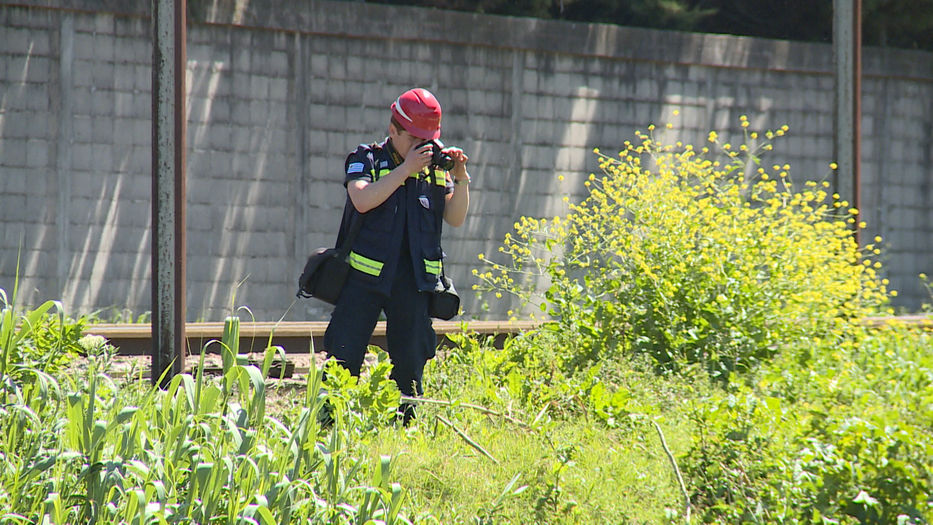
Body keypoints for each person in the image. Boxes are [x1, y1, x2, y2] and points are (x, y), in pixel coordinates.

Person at [323, 88, 470, 423]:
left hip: (413, 282)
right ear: (394, 131)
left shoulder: (435, 169)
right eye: (415, 139)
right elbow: (362, 199)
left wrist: (460, 179)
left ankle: (404, 428)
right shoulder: (368, 159)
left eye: (429, 140)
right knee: (343, 356)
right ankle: (329, 428)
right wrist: (405, 171)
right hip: (364, 279)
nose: (423, 147)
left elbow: (456, 217)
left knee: (410, 361)